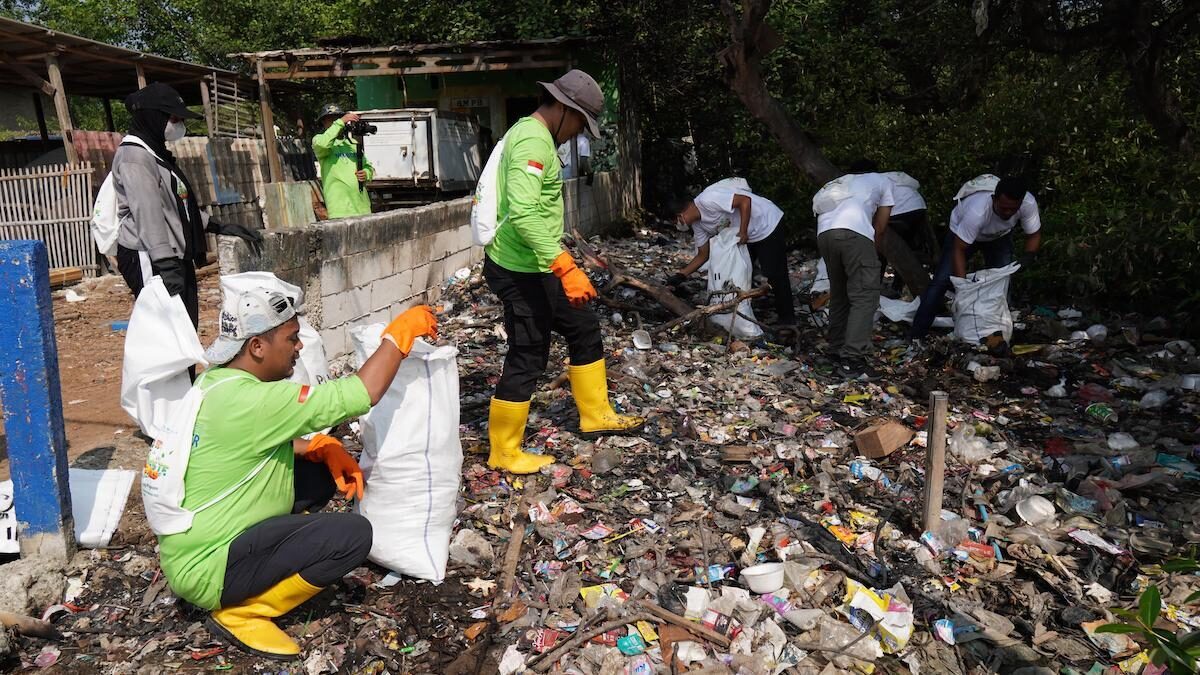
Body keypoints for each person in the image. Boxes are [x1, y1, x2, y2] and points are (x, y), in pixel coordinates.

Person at [156, 282, 437, 660]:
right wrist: (397, 336)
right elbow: (361, 393)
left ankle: (262, 566)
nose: (299, 347)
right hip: (210, 568)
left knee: (316, 472)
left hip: (192, 546)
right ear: (257, 346)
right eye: (291, 339)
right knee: (352, 536)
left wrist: (319, 446)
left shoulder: (216, 383)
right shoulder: (256, 400)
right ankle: (241, 612)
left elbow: (241, 448)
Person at [483, 69, 643, 475]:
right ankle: (504, 451)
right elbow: (522, 212)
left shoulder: (536, 137)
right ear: (564, 110)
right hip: (519, 269)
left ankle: (596, 414)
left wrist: (558, 262)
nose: (576, 133)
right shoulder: (532, 141)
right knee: (528, 354)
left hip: (538, 264)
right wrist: (564, 264)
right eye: (579, 124)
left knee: (583, 326)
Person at [112, 83, 261, 327]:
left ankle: (188, 368)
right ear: (153, 116)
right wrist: (164, 263)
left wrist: (216, 226)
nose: (178, 124)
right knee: (167, 333)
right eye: (173, 117)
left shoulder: (156, 154)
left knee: (186, 327)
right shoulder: (135, 157)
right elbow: (147, 213)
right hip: (149, 256)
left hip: (171, 255)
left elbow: (177, 206)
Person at [909, 176, 1041, 340]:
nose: (1007, 213)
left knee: (1001, 284)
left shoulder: (1028, 203)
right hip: (961, 235)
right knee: (941, 281)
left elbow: (1033, 235)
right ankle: (916, 334)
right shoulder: (977, 211)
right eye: (1003, 208)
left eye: (1012, 209)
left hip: (999, 236)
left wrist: (1029, 256)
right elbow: (959, 249)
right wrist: (962, 286)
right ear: (994, 199)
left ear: (1020, 203)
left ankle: (999, 336)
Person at [666, 180, 797, 329]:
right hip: (746, 237)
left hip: (766, 224)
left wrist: (743, 231)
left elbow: (744, 201)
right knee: (741, 274)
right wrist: (680, 276)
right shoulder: (699, 226)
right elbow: (703, 254)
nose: (680, 225)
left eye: (677, 221)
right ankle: (747, 315)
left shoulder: (708, 199)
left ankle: (788, 321)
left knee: (774, 273)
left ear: (681, 215)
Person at [813, 169, 895, 378]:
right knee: (865, 296)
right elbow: (881, 225)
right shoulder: (882, 180)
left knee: (840, 295)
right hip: (854, 233)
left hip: (825, 235)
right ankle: (853, 359)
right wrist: (872, 253)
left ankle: (835, 351)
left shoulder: (841, 182)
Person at [313, 103, 375, 219]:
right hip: (339, 211)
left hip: (362, 208)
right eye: (330, 120)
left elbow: (369, 167)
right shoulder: (319, 141)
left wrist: (366, 173)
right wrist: (340, 122)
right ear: (323, 123)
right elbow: (324, 144)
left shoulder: (352, 144)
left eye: (336, 119)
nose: (335, 122)